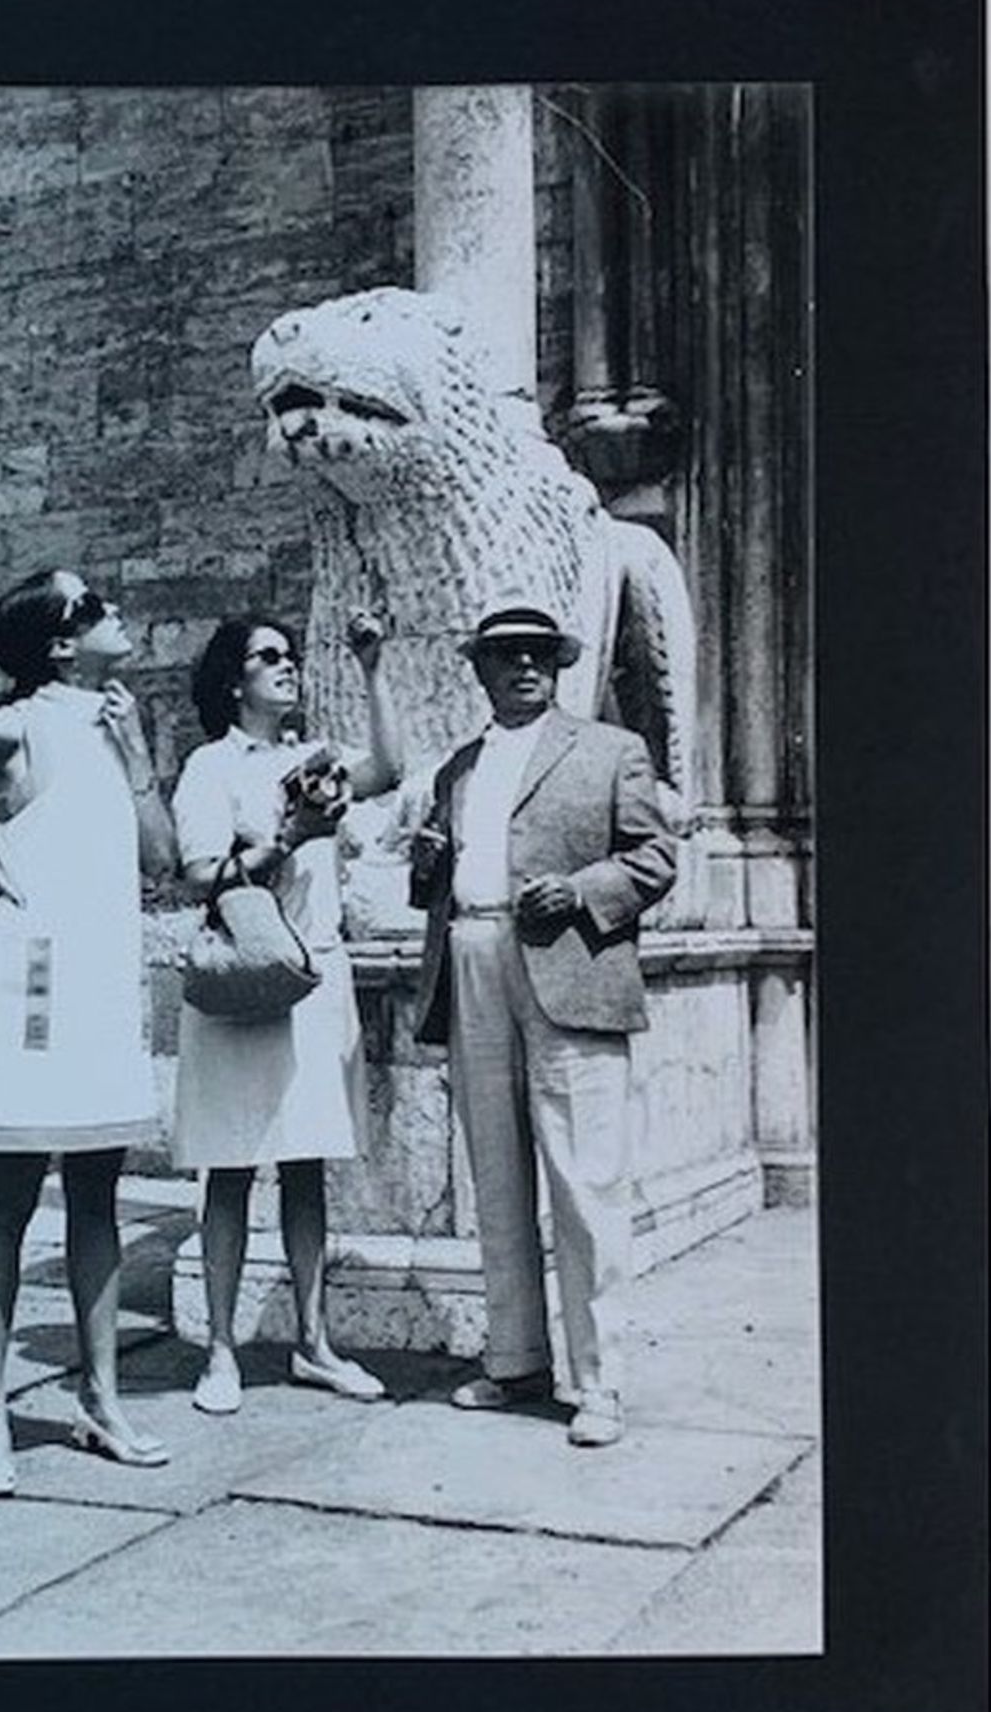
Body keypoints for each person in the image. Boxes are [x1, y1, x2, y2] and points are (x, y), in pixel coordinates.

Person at [0, 569, 176, 1493]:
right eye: (93, 607)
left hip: (101, 981)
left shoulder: (114, 722)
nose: (116, 612)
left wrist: (138, 758)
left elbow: (162, 859)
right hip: (33, 982)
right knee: (9, 1201)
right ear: (59, 642)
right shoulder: (15, 726)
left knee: (98, 1199)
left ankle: (102, 1400)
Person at [409, 605, 677, 1447]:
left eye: (538, 655)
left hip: (570, 963)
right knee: (496, 1174)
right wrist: (429, 869)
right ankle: (514, 1358)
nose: (524, 668)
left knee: (585, 1178)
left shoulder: (608, 749)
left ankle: (599, 1382)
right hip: (472, 953)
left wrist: (585, 889)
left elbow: (655, 857)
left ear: (557, 666)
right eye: (505, 656)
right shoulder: (457, 767)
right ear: (480, 671)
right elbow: (436, 882)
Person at [171, 610, 403, 1414]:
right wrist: (286, 837)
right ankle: (222, 1352)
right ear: (234, 680)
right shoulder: (209, 766)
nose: (287, 666)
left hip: (316, 971)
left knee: (307, 1167)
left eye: (291, 655)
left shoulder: (317, 757)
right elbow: (199, 874)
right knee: (230, 1167)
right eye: (268, 657)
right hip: (244, 972)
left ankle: (314, 1340)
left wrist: (373, 666)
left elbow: (389, 771)